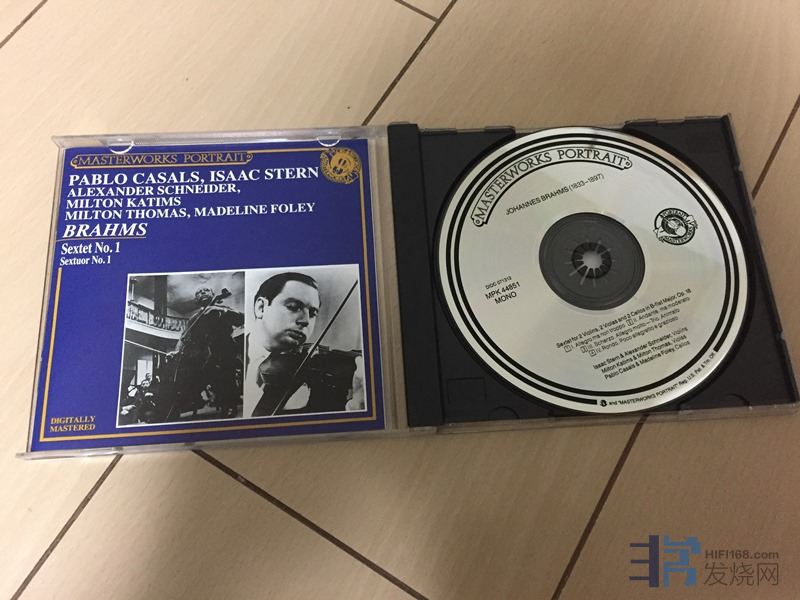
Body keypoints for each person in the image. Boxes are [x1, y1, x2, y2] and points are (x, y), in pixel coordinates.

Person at [245, 272, 320, 417]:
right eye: (293, 307)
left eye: (312, 313)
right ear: (261, 308)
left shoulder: (309, 375)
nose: (305, 321)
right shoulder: (227, 351)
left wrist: (354, 406)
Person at [166, 285, 243, 420]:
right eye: (199, 292)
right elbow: (184, 338)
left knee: (226, 374)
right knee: (192, 375)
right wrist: (176, 352)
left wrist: (220, 309)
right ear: (196, 299)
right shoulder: (194, 318)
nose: (202, 292)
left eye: (206, 290)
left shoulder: (221, 309)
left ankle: (230, 404)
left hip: (224, 349)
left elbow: (241, 318)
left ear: (213, 294)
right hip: (203, 355)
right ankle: (185, 404)